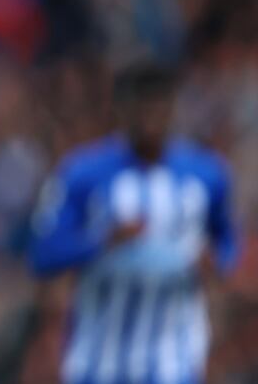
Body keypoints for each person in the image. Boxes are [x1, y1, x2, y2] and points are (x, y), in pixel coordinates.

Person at [29, 64, 238, 384]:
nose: (151, 117)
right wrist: (100, 241)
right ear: (122, 110)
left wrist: (217, 261)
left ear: (172, 108)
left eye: (159, 105)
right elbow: (43, 254)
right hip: (99, 357)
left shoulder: (206, 175)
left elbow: (227, 239)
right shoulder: (83, 173)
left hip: (173, 357)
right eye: (142, 105)